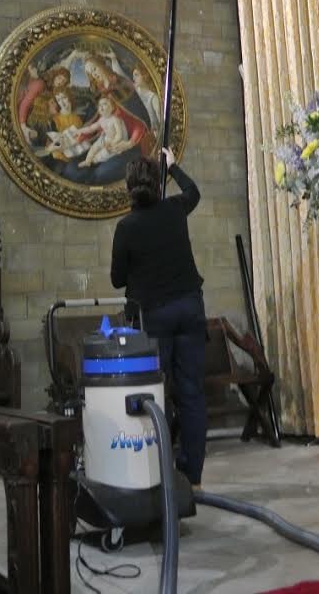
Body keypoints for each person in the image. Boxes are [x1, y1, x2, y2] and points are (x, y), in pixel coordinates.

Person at [110, 146, 206, 488]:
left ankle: (160, 471)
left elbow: (117, 279)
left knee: (157, 393)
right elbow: (194, 192)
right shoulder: (174, 210)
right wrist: (174, 166)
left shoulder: (127, 227)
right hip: (191, 308)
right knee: (192, 393)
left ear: (129, 188)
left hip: (156, 315)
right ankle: (193, 475)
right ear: (157, 183)